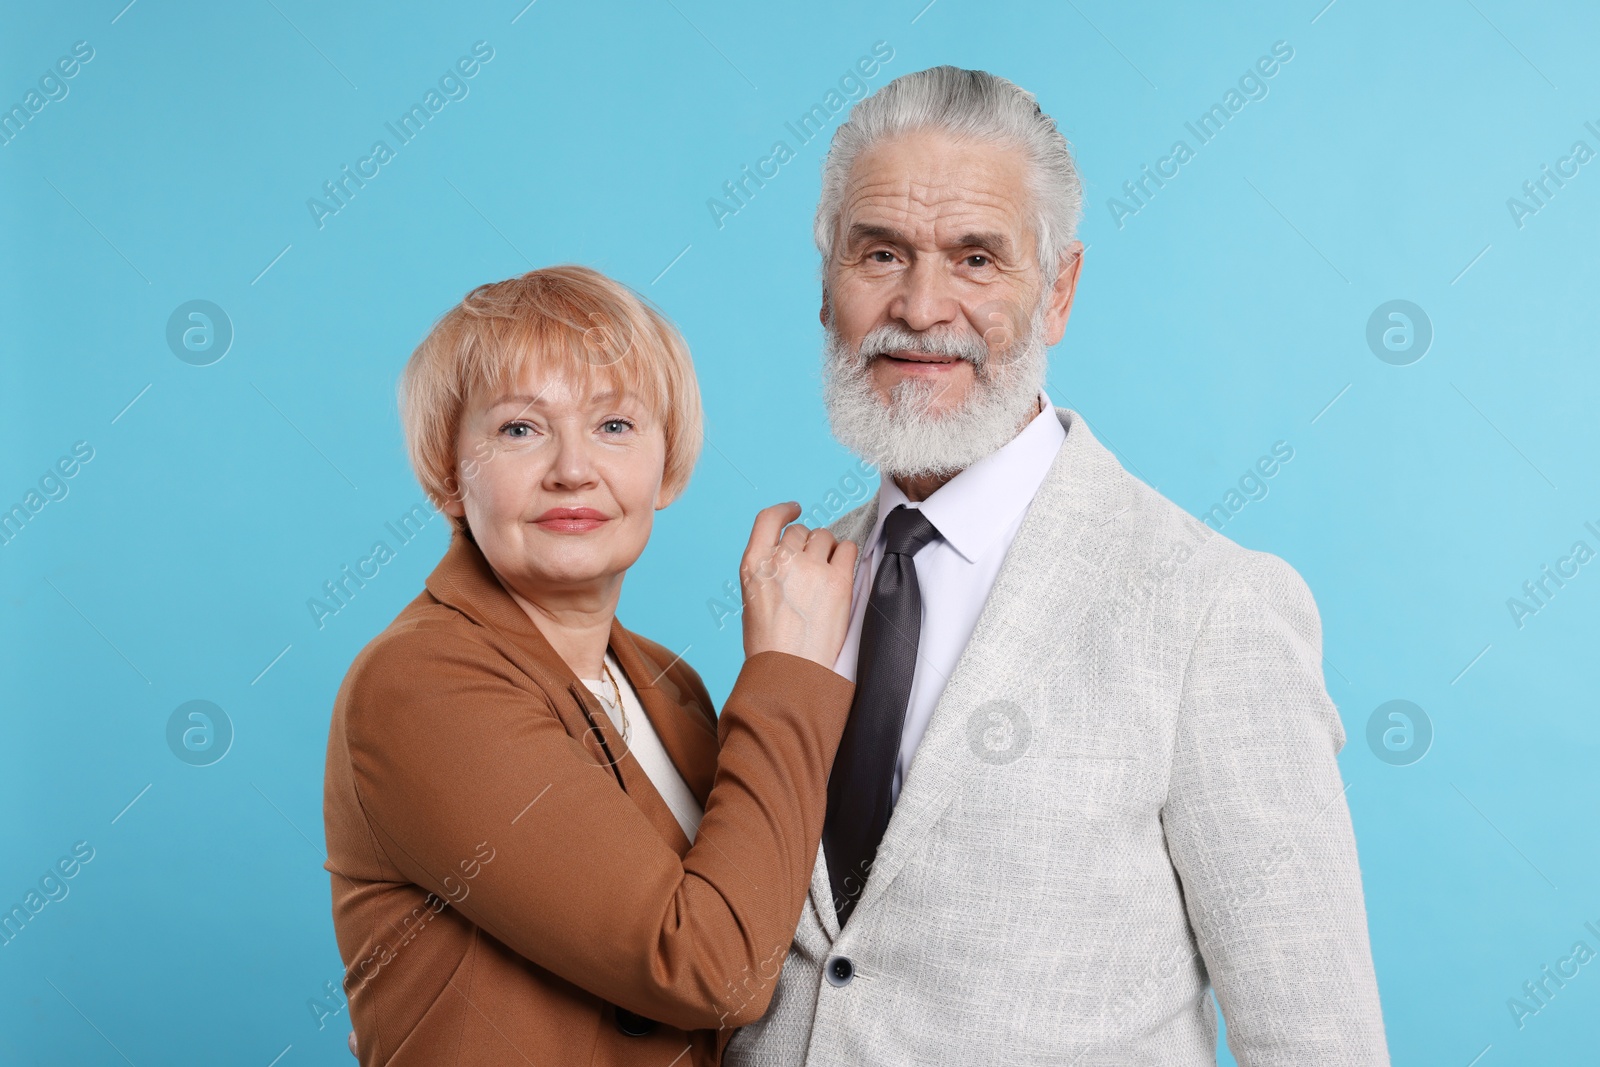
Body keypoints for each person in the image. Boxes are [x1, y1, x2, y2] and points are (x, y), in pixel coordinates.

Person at [724, 67, 1391, 1065]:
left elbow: (1315, 1039)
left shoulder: (1211, 607)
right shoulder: (793, 586)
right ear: (826, 286)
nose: (921, 303)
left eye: (976, 257)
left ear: (1059, 290)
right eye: (880, 253)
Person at [322, 265, 859, 1066]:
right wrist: (784, 673)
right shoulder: (419, 684)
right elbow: (714, 968)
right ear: (448, 472)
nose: (573, 469)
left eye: (614, 425)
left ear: (665, 465)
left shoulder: (667, 685)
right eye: (520, 429)